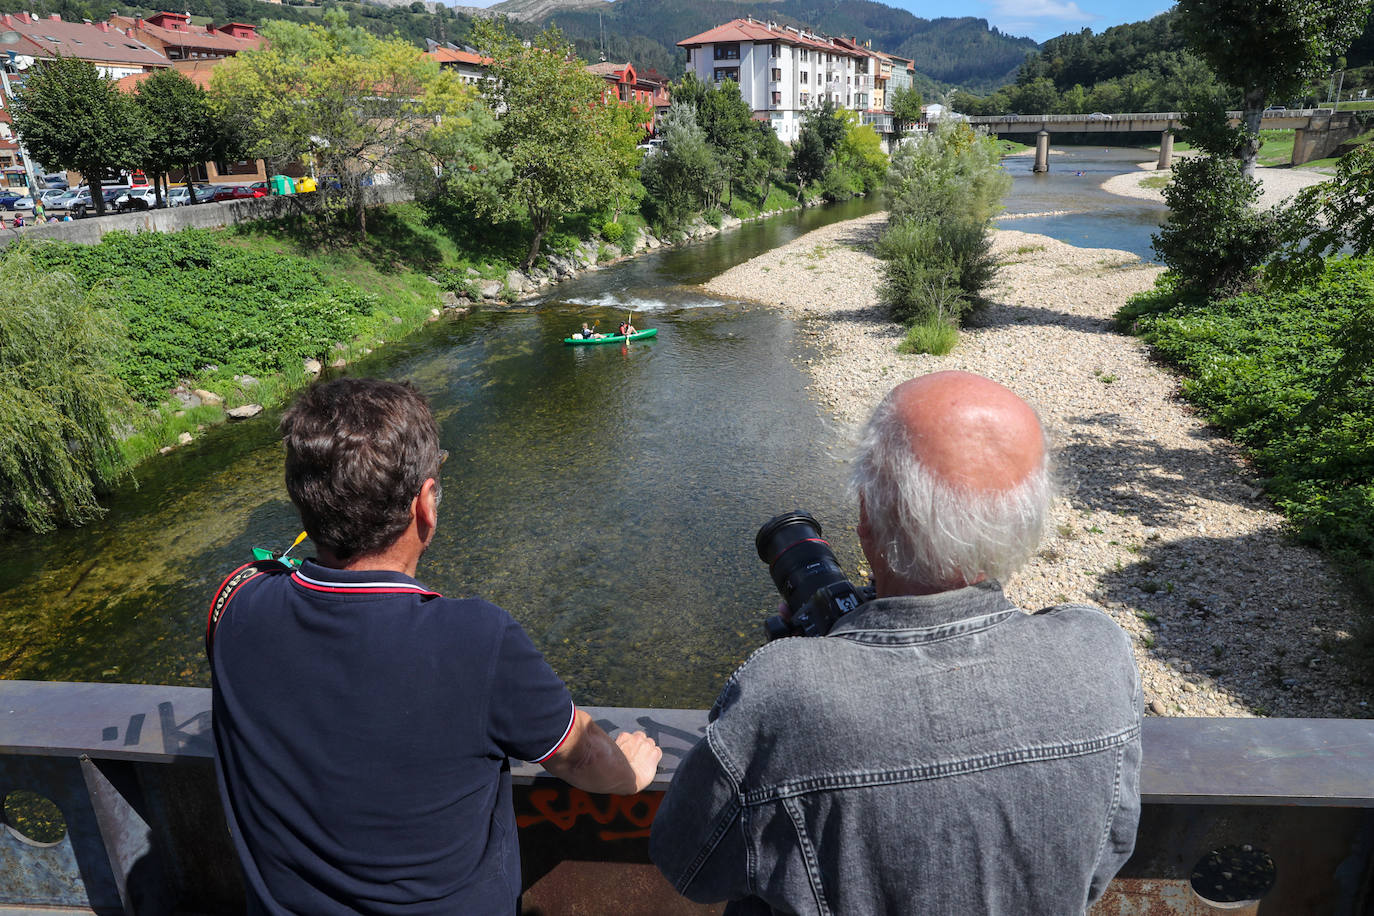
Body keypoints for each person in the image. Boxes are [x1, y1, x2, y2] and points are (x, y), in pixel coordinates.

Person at [650, 370, 1142, 915]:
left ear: (866, 516)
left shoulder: (782, 690)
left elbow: (686, 865)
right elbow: (1105, 857)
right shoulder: (1098, 653)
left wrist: (820, 656)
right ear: (1028, 519)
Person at [208, 378, 662, 913]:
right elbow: (581, 755)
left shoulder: (233, 603)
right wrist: (632, 772)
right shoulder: (476, 639)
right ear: (425, 505)